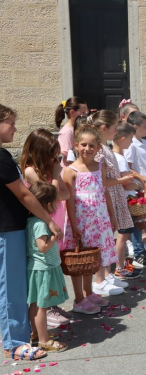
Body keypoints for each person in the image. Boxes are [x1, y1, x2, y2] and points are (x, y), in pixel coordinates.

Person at [0, 104, 60, 361]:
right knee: (10, 285)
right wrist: (49, 220)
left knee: (11, 285)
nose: (14, 127)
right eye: (10, 122)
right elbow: (24, 194)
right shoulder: (1, 157)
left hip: (9, 227)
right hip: (7, 228)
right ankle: (14, 341)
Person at [62, 125, 119, 314]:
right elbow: (69, 201)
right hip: (81, 221)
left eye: (91, 146)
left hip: (99, 219)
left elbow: (104, 191)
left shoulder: (100, 167)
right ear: (76, 145)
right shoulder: (70, 171)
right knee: (79, 260)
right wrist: (73, 224)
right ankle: (78, 299)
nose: (87, 149)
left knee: (92, 258)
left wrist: (111, 215)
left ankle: (88, 293)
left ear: (98, 147)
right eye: (83, 145)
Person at [19, 128, 72, 327]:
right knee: (45, 267)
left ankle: (52, 302)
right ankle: (45, 308)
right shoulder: (31, 171)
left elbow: (65, 195)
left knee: (54, 262)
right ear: (40, 151)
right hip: (42, 223)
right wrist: (57, 176)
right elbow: (52, 194)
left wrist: (56, 180)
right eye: (52, 153)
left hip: (56, 220)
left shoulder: (50, 170)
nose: (55, 158)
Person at [89, 111, 140, 283]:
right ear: (104, 128)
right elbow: (100, 180)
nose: (117, 131)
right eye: (115, 127)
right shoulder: (99, 150)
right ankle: (101, 279)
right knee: (105, 238)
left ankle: (107, 275)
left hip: (113, 197)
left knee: (108, 238)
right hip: (106, 198)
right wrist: (121, 180)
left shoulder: (105, 148)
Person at [26, 181, 69, 353]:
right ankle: (44, 340)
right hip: (43, 269)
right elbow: (43, 247)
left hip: (37, 268)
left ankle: (36, 334)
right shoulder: (40, 224)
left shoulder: (31, 221)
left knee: (35, 304)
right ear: (47, 204)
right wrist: (55, 237)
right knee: (42, 306)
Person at [112, 122, 146, 269]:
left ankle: (134, 256)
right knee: (124, 235)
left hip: (126, 198)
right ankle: (122, 266)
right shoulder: (119, 158)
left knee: (132, 228)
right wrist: (137, 185)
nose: (132, 142)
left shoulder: (117, 156)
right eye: (131, 138)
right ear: (123, 139)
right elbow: (125, 183)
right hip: (125, 199)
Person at [124, 112, 146, 268]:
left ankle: (140, 250)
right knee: (136, 222)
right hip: (136, 188)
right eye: (145, 126)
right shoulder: (131, 145)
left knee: (142, 221)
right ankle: (137, 252)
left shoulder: (145, 143)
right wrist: (142, 179)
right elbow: (129, 168)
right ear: (135, 127)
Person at [55, 97, 88, 168]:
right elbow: (68, 155)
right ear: (72, 112)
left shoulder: (76, 129)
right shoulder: (67, 131)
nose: (86, 115)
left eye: (86, 112)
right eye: (83, 112)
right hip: (70, 169)